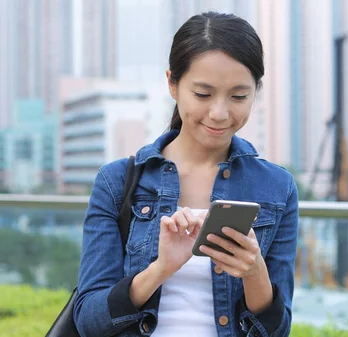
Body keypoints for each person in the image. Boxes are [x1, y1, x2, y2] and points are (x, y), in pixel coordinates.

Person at [73, 12, 299, 337]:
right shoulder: (117, 182)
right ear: (172, 84)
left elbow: (278, 331)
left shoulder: (277, 188)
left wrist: (254, 272)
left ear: (256, 91)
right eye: (203, 94)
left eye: (238, 96)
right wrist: (161, 269)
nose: (219, 113)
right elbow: (89, 322)